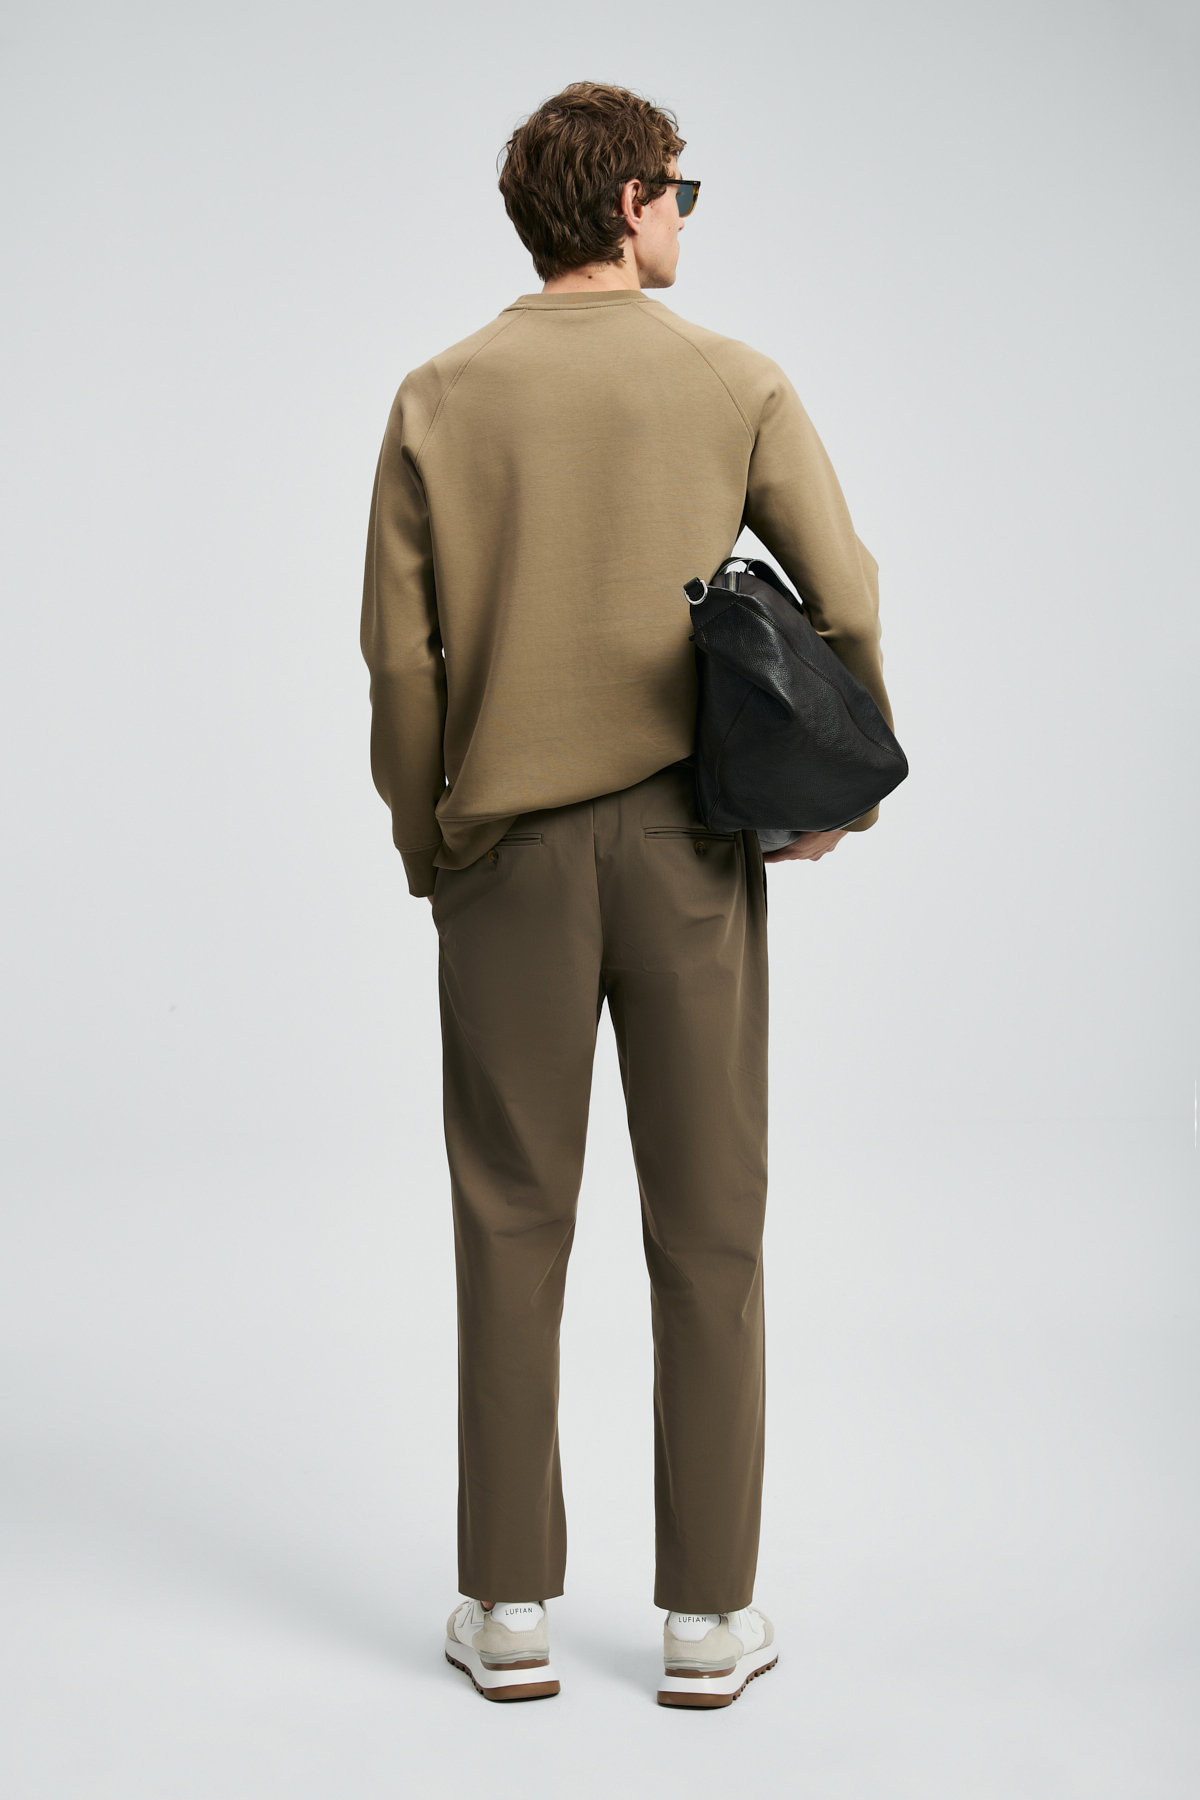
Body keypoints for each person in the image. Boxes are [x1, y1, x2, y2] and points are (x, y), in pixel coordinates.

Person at [360, 80, 895, 1708]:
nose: (684, 216)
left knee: (509, 1223)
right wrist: (833, 792)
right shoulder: (732, 378)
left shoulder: (441, 394)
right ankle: (708, 1623)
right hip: (686, 854)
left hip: (506, 859)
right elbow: (847, 598)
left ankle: (509, 1609)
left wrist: (430, 845)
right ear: (625, 205)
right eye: (678, 191)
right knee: (710, 1232)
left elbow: (402, 661)